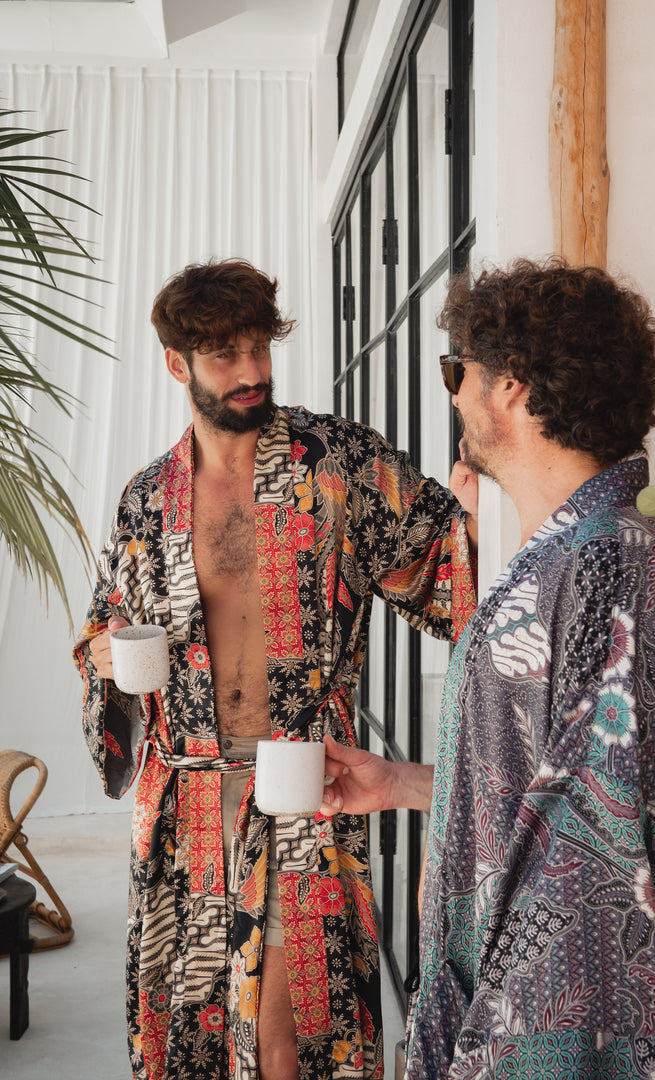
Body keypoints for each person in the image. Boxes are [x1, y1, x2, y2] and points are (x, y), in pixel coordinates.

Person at [73, 258, 478, 1080]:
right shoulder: (146, 501)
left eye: (259, 346)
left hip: (305, 786)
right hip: (185, 807)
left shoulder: (341, 468)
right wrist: (103, 656)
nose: (252, 370)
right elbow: (104, 628)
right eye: (225, 354)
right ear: (177, 364)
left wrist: (483, 509)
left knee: (286, 1039)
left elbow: (456, 574)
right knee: (191, 1038)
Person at [321, 258, 655, 1079]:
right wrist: (401, 784)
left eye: (457, 371)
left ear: (514, 388)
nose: (452, 394)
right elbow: (548, 789)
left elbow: (587, 886)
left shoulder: (608, 567)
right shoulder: (578, 556)